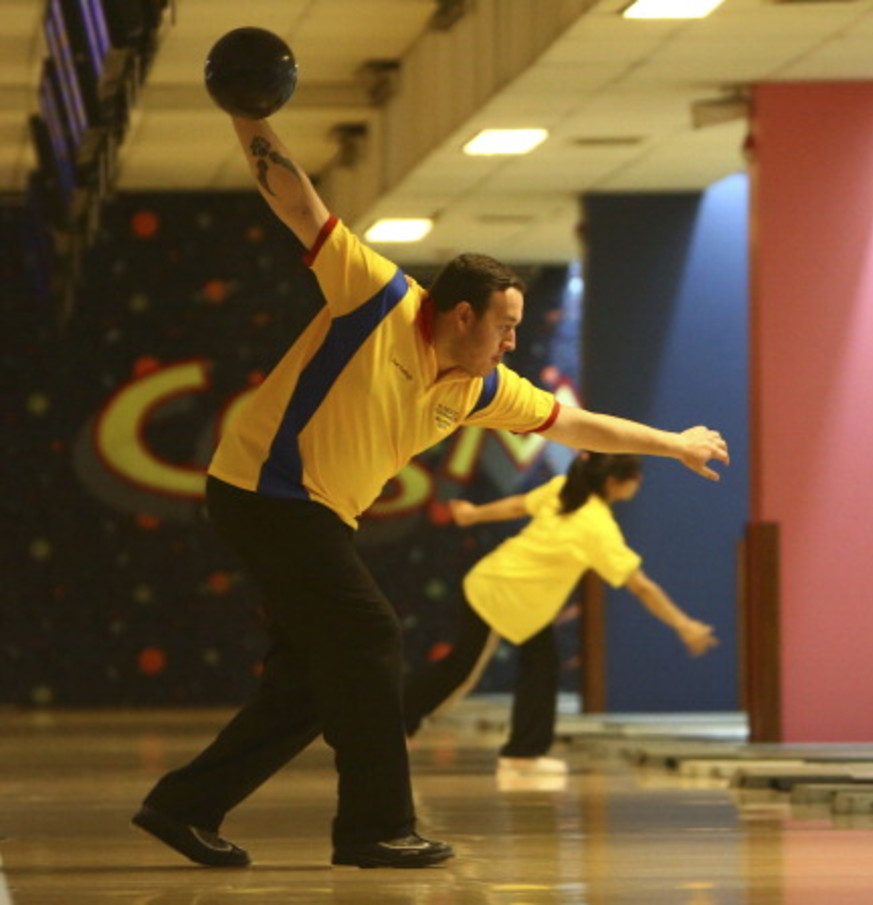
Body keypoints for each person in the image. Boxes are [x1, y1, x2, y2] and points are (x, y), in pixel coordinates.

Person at [130, 112, 729, 871]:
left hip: (315, 514)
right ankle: (375, 827)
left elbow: (576, 426)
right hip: (266, 490)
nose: (514, 341)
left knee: (310, 684)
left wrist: (672, 442)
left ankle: (183, 805)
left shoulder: (478, 387)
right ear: (462, 313)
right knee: (372, 634)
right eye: (505, 326)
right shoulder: (378, 297)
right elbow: (299, 205)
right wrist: (251, 113)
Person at [404, 452, 718, 774]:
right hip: (503, 593)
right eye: (635, 476)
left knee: (539, 666)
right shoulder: (597, 527)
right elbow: (642, 587)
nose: (640, 482)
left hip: (511, 593)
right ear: (613, 482)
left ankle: (521, 753)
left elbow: (516, 506)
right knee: (463, 669)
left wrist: (473, 515)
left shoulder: (564, 489)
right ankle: (401, 724)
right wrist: (684, 624)